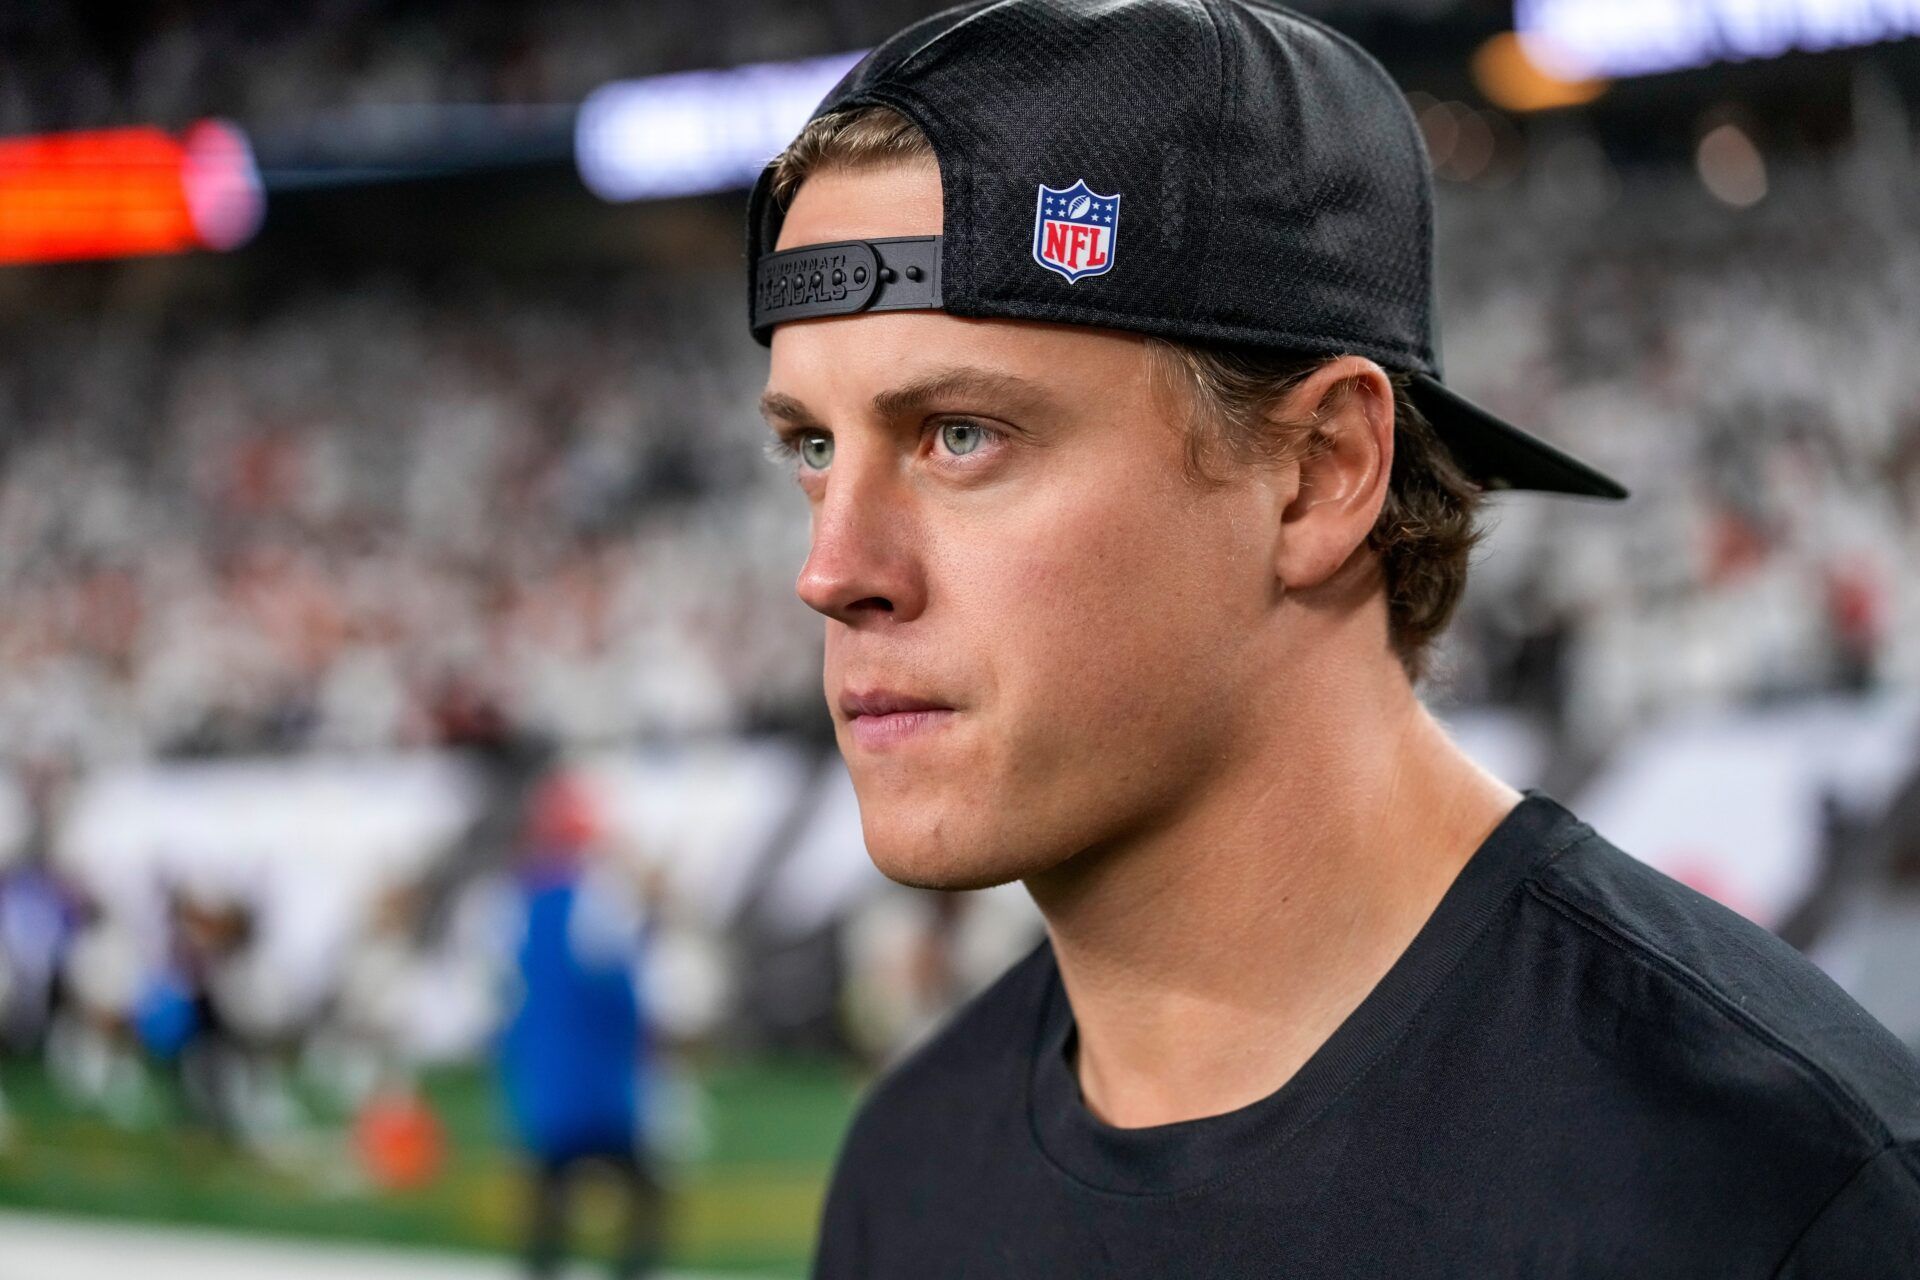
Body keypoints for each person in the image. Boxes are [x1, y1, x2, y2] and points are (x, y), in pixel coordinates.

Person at [742, 1, 1920, 1275]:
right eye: (812, 446)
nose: (831, 569)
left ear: (1318, 472)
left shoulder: (1777, 1190)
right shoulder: (910, 1171)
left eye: (960, 433)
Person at [497, 771, 665, 1279]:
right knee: (644, 1195)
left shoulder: (512, 902)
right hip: (600, 1081)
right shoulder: (597, 897)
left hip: (546, 1076)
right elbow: (619, 982)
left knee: (547, 1202)